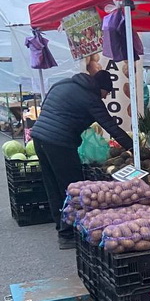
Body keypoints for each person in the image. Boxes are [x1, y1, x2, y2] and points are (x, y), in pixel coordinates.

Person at [31, 70, 134, 250]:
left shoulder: (62, 84)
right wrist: (133, 148)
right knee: (73, 188)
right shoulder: (91, 98)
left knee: (53, 186)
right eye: (106, 92)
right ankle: (67, 234)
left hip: (39, 137)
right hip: (59, 143)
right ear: (100, 88)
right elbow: (110, 126)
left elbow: (46, 106)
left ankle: (61, 228)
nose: (106, 96)